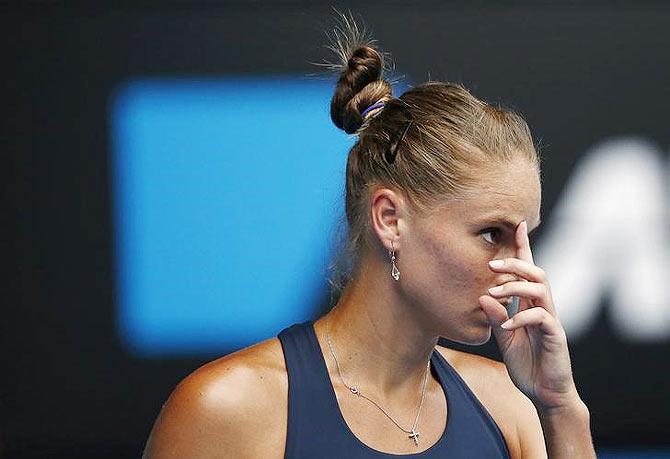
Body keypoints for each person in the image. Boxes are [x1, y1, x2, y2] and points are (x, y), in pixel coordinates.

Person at [142, 18, 595, 459]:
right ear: (390, 219)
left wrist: (560, 407)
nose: (521, 269)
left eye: (524, 239)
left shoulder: (509, 408)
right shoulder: (229, 409)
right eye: (491, 233)